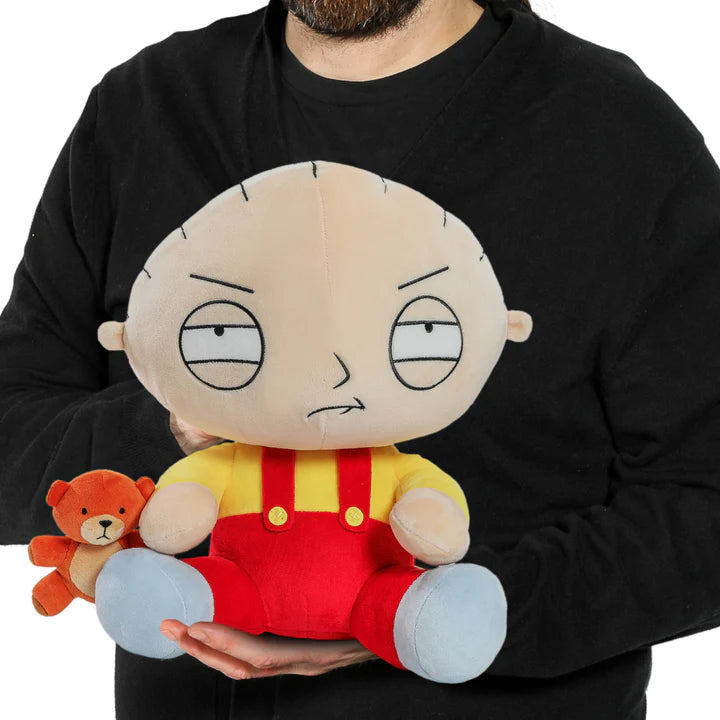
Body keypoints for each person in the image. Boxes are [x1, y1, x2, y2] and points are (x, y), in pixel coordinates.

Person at [1, 0, 719, 718]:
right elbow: (11, 438)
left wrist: (434, 618)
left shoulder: (618, 135)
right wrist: (186, 423)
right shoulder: (146, 109)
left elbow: (705, 501)